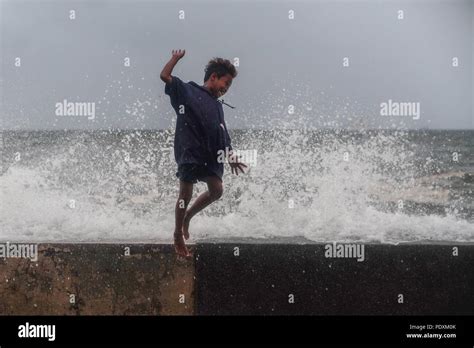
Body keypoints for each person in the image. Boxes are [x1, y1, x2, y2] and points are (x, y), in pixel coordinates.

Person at [160, 49, 247, 257]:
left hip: (210, 154)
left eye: (228, 86)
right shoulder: (187, 91)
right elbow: (165, 76)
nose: (225, 89)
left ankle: (189, 216)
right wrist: (175, 59)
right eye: (225, 83)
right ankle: (177, 235)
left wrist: (231, 155)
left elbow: (222, 133)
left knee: (217, 190)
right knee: (185, 193)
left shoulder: (218, 107)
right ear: (213, 77)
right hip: (190, 151)